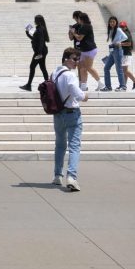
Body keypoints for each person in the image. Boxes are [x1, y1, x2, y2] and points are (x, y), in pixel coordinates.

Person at [51, 48, 87, 191]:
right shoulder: (70, 75)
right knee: (74, 146)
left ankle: (57, 175)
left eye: (78, 59)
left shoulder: (54, 73)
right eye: (74, 59)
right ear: (65, 58)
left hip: (58, 113)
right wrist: (84, 96)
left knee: (60, 145)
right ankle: (71, 177)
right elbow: (76, 93)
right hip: (72, 112)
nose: (76, 62)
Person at [69, 11, 102, 90]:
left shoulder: (86, 26)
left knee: (88, 67)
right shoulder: (83, 26)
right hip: (83, 50)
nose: (77, 21)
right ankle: (83, 86)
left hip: (89, 49)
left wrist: (73, 33)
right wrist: (71, 32)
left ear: (81, 19)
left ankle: (101, 84)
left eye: (78, 19)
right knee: (82, 68)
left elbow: (79, 38)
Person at [20, 15, 49, 91]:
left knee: (32, 66)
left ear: (38, 21)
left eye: (35, 20)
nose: (34, 21)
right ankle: (49, 85)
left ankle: (28, 85)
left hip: (39, 52)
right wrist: (28, 34)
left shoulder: (40, 29)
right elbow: (36, 39)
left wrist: (39, 53)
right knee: (43, 68)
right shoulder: (40, 28)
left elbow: (41, 42)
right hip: (42, 51)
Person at [101, 15, 126, 91]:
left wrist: (119, 42)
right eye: (110, 22)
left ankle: (123, 86)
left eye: (113, 22)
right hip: (112, 51)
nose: (112, 23)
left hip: (118, 50)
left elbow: (125, 37)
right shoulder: (111, 30)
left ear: (116, 22)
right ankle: (108, 87)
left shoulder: (118, 29)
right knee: (106, 68)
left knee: (119, 69)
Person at [118, 20, 135, 90]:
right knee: (125, 71)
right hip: (125, 53)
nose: (121, 28)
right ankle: (124, 86)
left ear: (125, 27)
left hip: (126, 54)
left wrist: (120, 44)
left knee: (125, 71)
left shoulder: (126, 34)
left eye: (123, 27)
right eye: (120, 27)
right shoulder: (123, 33)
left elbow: (129, 43)